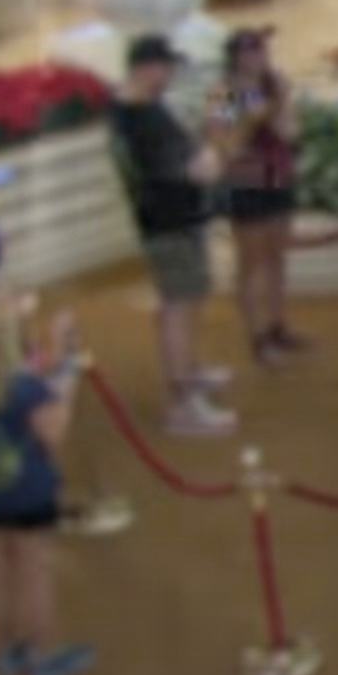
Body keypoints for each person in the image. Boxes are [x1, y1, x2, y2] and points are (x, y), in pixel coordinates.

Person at [0, 290, 92, 675]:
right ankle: (42, 656)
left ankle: (4, 652)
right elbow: (53, 434)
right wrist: (68, 376)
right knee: (34, 574)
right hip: (26, 494)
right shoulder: (24, 387)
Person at [105, 36, 235, 437]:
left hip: (167, 219)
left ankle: (190, 374)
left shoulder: (132, 109)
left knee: (183, 302)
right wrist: (218, 133)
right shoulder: (145, 118)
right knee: (179, 307)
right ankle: (183, 404)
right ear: (148, 68)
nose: (173, 75)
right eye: (167, 67)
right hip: (171, 223)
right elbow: (200, 169)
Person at [208, 29, 304, 366]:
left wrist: (279, 109)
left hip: (278, 177)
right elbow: (224, 143)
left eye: (260, 51)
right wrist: (252, 118)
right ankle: (257, 336)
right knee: (252, 264)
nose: (257, 58)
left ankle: (279, 325)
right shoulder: (225, 92)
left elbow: (291, 131)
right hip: (246, 182)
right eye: (249, 52)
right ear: (235, 57)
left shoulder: (274, 84)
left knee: (277, 256)